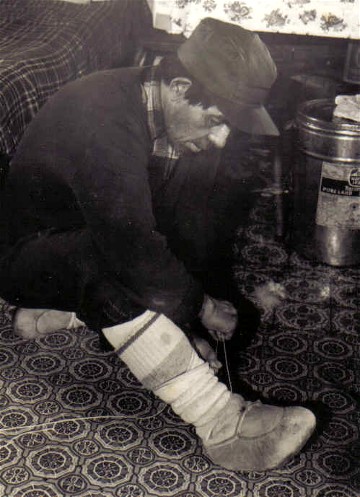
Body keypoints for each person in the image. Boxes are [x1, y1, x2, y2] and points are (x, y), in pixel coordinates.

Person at [0, 18, 315, 471]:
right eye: (215, 120)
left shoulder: (170, 114)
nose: (221, 138)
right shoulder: (104, 117)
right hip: (22, 255)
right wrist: (197, 308)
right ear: (181, 86)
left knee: (145, 254)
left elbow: (190, 230)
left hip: (82, 241)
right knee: (109, 261)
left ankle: (60, 311)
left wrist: (192, 324)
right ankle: (222, 425)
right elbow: (129, 246)